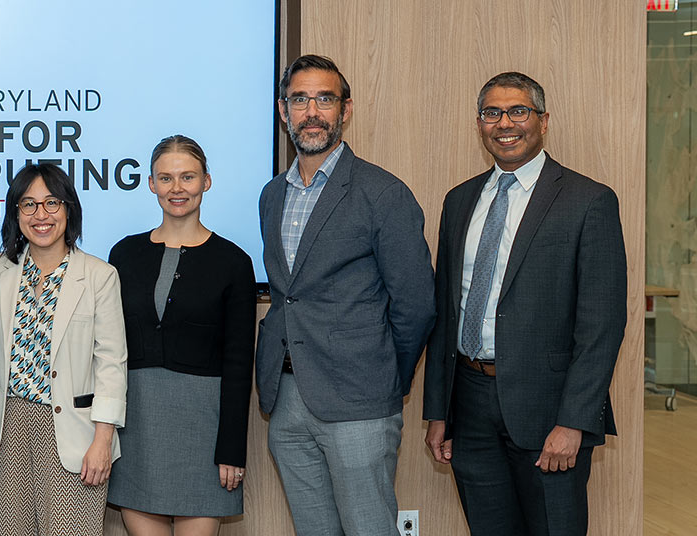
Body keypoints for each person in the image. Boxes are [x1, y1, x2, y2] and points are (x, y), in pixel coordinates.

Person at [423, 72, 626, 536]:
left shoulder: (588, 201)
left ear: (543, 120)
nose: (505, 123)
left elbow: (603, 324)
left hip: (549, 409)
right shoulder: (459, 201)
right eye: (492, 113)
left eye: (518, 111)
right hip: (469, 405)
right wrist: (439, 411)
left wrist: (573, 422)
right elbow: (445, 311)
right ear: (479, 124)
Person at [255, 55, 435, 536]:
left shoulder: (383, 193)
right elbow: (286, 295)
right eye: (300, 100)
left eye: (325, 99)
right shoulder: (272, 195)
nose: (311, 111)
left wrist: (379, 373)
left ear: (345, 109)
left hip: (360, 398)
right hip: (288, 398)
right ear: (283, 109)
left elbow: (416, 306)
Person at [107, 135, 255, 536]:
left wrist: (232, 450)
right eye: (166, 178)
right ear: (151, 183)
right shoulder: (122, 255)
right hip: (136, 428)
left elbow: (240, 364)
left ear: (206, 181)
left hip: (204, 433)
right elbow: (108, 353)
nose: (177, 188)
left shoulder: (235, 262)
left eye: (187, 177)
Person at [0, 163, 128, 536]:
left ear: (69, 209)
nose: (40, 215)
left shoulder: (99, 275)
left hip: (74, 432)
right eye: (28, 205)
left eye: (51, 203)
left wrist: (103, 441)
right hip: (4, 430)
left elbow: (112, 363)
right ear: (16, 213)